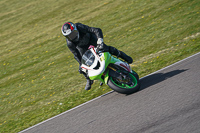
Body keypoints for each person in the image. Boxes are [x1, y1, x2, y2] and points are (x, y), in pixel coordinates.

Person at [61, 22, 133, 90]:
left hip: (91, 39)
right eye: (69, 36)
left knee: (105, 48)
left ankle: (124, 57)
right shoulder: (70, 44)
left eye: (73, 34)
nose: (72, 37)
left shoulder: (80, 27)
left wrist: (100, 40)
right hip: (82, 48)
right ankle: (89, 79)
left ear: (76, 29)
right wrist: (81, 64)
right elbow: (76, 55)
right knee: (83, 68)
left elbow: (96, 30)